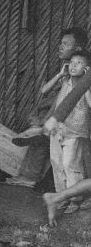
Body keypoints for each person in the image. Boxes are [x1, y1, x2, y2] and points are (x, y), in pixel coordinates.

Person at [7, 27, 88, 187]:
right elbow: (46, 92)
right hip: (61, 119)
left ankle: (31, 177)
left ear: (77, 49)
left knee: (62, 157)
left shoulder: (81, 72)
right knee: (52, 151)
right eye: (61, 43)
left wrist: (47, 121)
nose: (60, 46)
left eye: (65, 44)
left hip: (73, 123)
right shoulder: (67, 69)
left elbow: (63, 102)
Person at [44, 50, 91, 213]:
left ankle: (75, 200)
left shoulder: (85, 86)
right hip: (58, 129)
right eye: (72, 62)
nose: (73, 65)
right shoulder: (66, 81)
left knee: (70, 165)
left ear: (87, 68)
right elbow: (45, 92)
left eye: (79, 63)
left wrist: (87, 84)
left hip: (76, 132)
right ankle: (60, 197)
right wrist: (60, 74)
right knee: (56, 162)